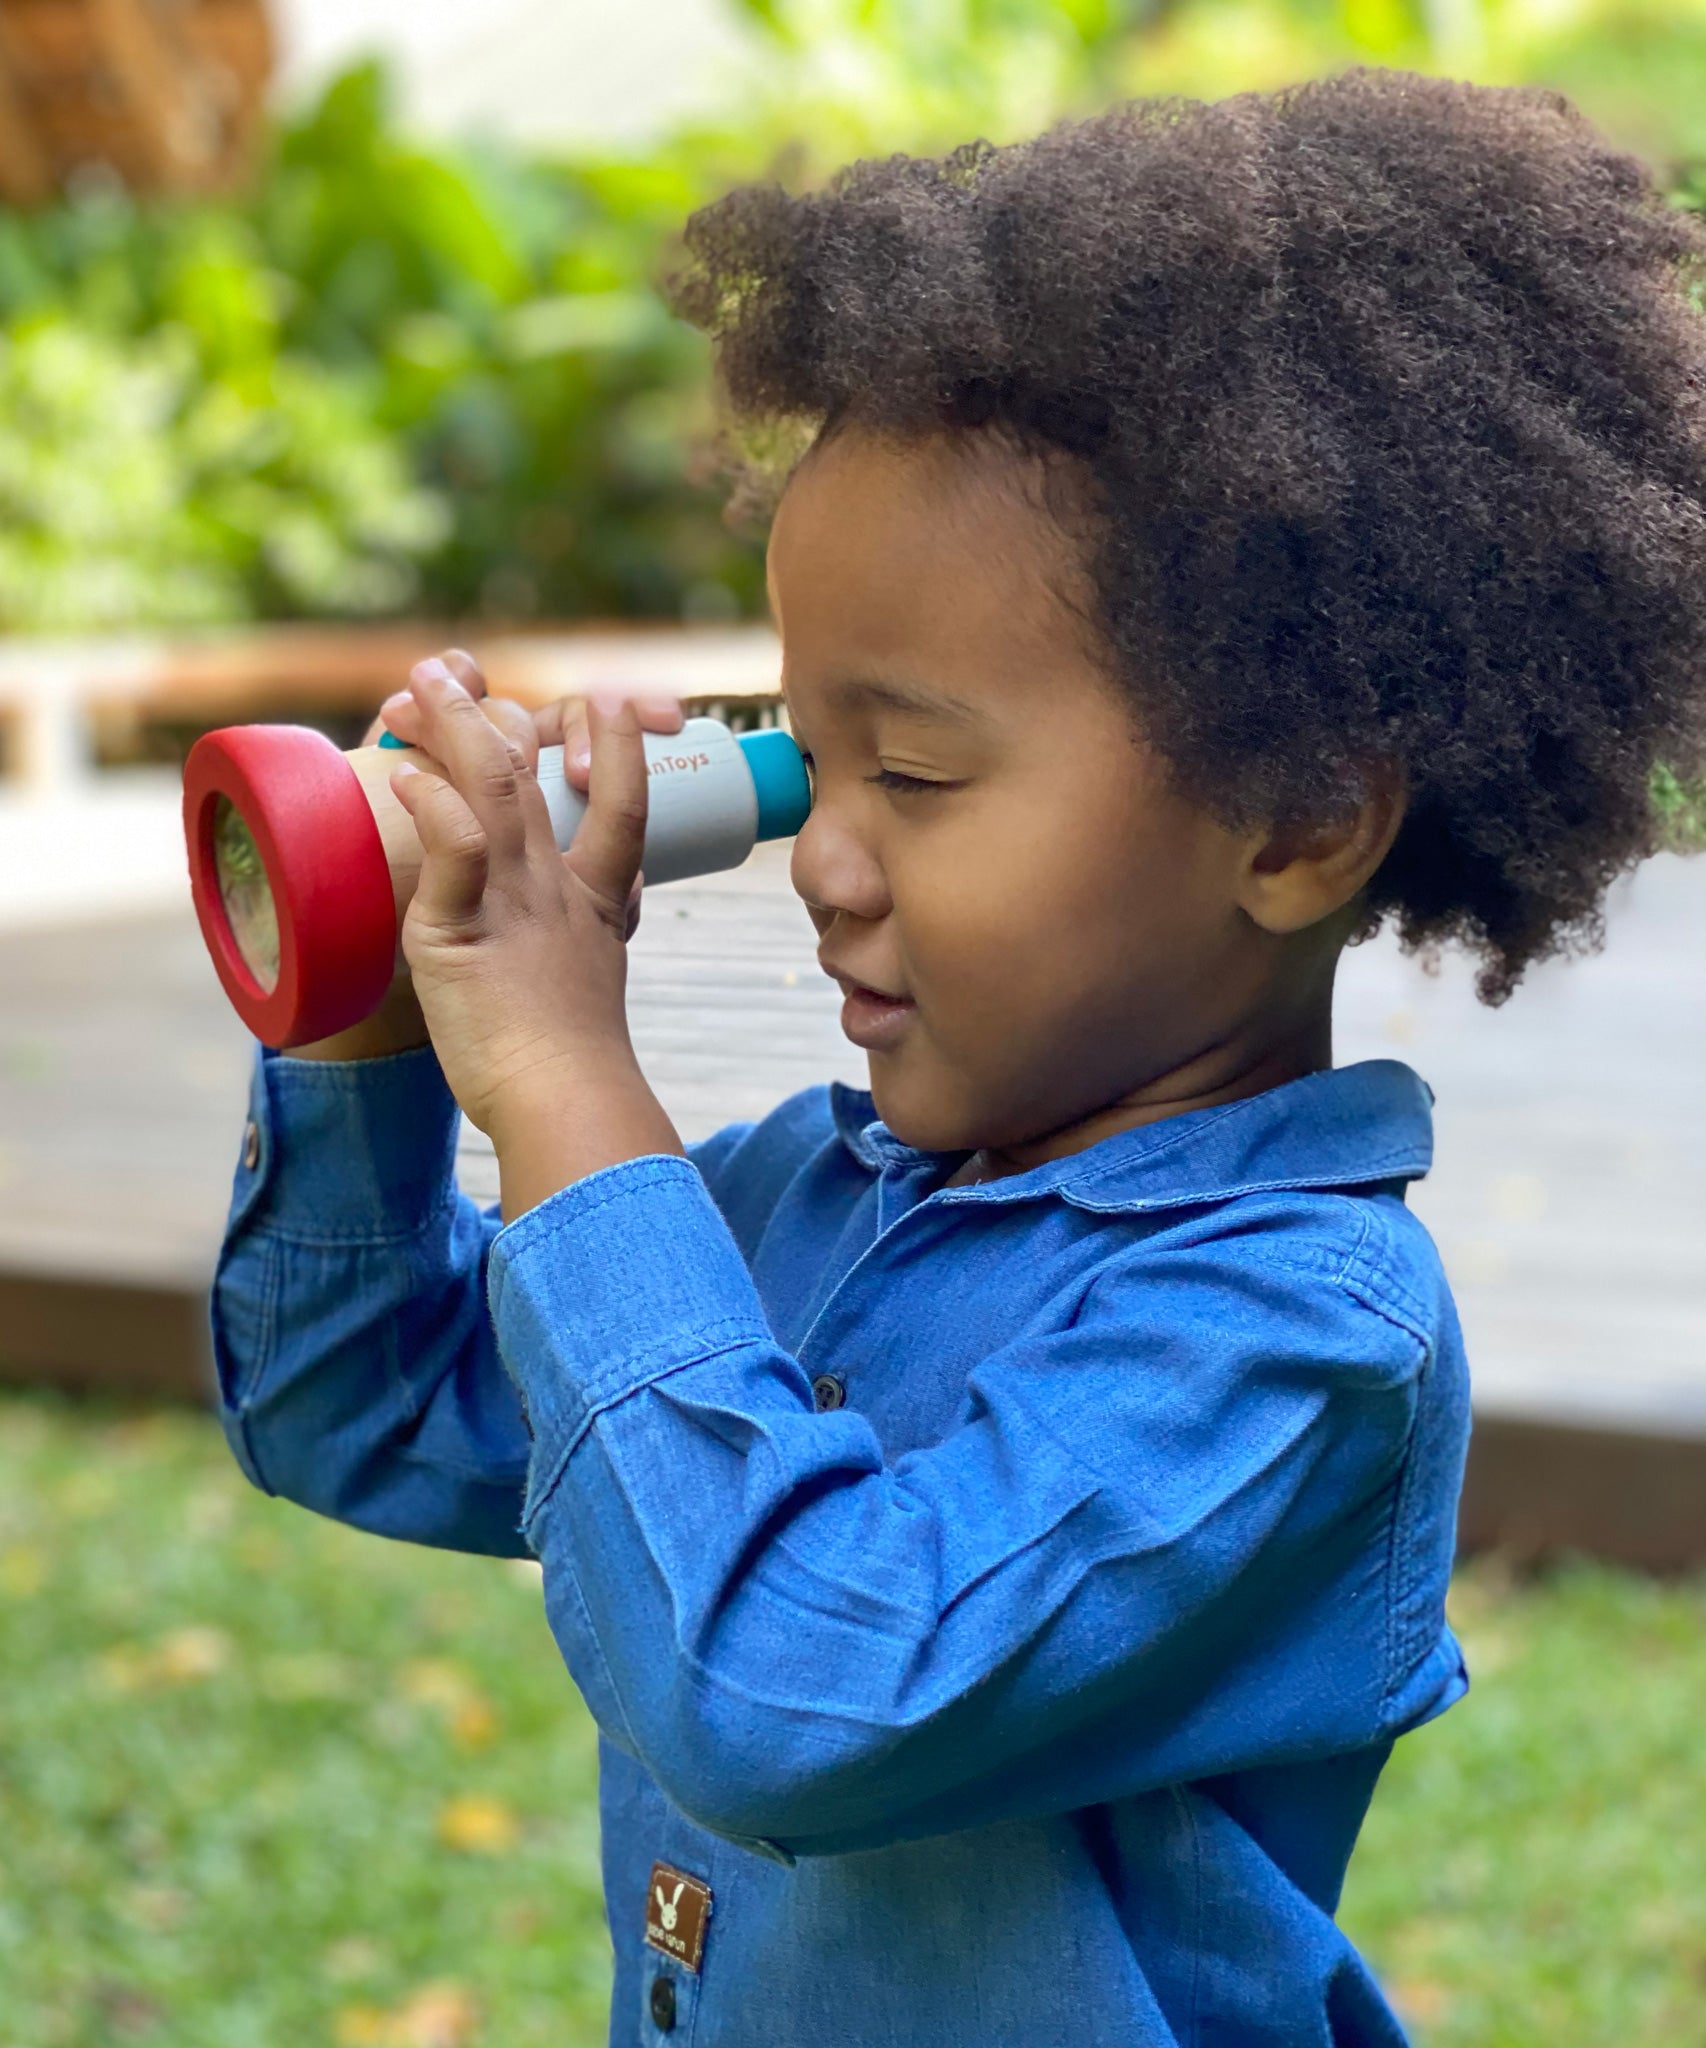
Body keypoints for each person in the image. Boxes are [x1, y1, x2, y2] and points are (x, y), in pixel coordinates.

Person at [210, 69, 1706, 2047]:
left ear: (1293, 822)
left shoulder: (1296, 1340)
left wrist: (572, 1092)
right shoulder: (790, 1207)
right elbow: (354, 1401)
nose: (822, 856)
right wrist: (373, 1022)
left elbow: (794, 1686)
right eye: (800, 765)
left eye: (910, 770)